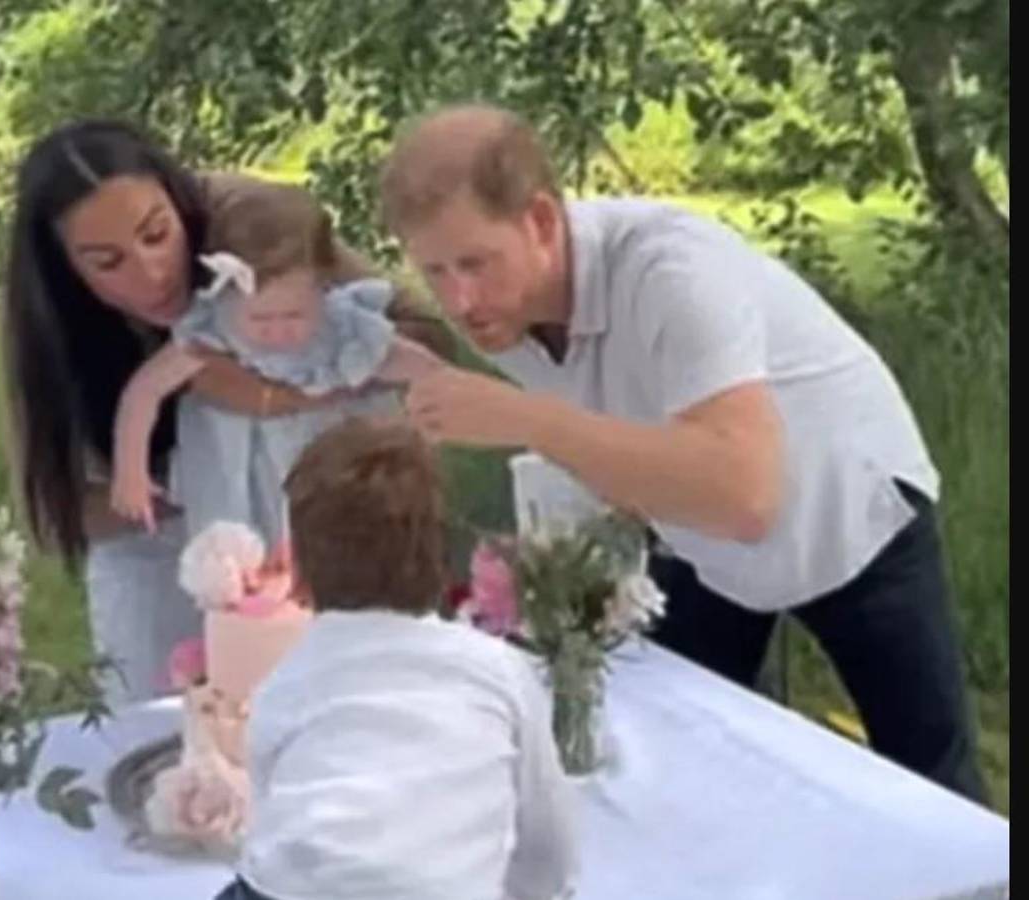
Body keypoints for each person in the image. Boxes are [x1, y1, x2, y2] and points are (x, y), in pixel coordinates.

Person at [389, 103, 986, 804]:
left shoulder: (671, 271)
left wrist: (525, 419)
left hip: (849, 502)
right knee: (678, 738)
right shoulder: (506, 310)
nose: (461, 300)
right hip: (698, 528)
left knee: (926, 777)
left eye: (475, 263)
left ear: (543, 221)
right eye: (435, 272)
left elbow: (745, 497)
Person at [0, 119, 454, 704]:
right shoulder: (52, 330)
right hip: (165, 547)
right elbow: (57, 507)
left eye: (156, 234)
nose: (152, 272)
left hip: (321, 514)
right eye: (107, 262)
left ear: (177, 201)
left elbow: (422, 336)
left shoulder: (255, 231)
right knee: (179, 730)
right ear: (66, 271)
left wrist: (282, 399)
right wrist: (186, 482)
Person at [216, 416, 577, 900]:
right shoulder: (499, 670)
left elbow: (271, 822)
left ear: (298, 573)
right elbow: (545, 835)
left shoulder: (286, 682)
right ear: (441, 555)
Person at [109, 184, 442, 538]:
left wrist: (433, 415)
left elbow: (425, 368)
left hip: (333, 474)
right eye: (260, 319)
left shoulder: (341, 330)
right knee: (247, 563)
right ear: (227, 293)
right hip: (241, 485)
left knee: (353, 546)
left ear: (323, 287)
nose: (277, 331)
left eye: (294, 315)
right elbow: (144, 392)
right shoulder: (215, 331)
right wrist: (131, 471)